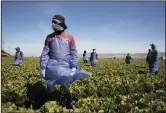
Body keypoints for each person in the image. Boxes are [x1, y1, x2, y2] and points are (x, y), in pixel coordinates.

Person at [40, 14, 92, 108]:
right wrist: (43, 67)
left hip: (65, 67)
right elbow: (45, 54)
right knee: (50, 88)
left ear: (62, 23)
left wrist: (73, 66)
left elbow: (73, 53)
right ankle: (49, 105)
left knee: (65, 86)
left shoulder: (70, 37)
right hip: (52, 67)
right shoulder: (49, 37)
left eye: (55, 22)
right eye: (52, 22)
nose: (53, 24)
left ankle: (67, 104)